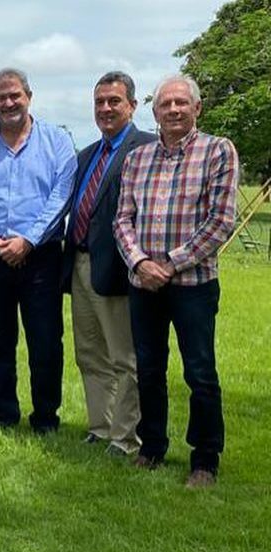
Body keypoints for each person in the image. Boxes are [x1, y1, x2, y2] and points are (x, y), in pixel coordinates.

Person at [114, 75, 239, 488]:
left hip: (193, 285)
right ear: (155, 112)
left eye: (181, 103)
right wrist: (140, 262)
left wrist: (170, 264)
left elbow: (221, 221)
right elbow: (122, 220)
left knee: (199, 372)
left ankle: (205, 459)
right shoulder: (138, 159)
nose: (173, 110)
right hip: (143, 284)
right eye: (165, 104)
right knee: (149, 369)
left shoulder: (218, 151)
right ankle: (152, 447)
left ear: (197, 108)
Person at [0, 68, 76, 432]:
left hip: (41, 256)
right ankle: (4, 415)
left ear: (29, 97)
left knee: (46, 341)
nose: (8, 103)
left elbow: (62, 195)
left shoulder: (57, 141)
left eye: (15, 96)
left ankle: (45, 418)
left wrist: (28, 240)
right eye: (1, 98)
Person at [60, 72, 155, 456]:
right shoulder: (87, 155)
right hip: (80, 264)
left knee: (123, 356)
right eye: (99, 102)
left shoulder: (145, 148)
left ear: (132, 105)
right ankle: (100, 427)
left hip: (118, 268)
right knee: (89, 354)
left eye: (114, 101)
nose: (105, 108)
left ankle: (125, 437)